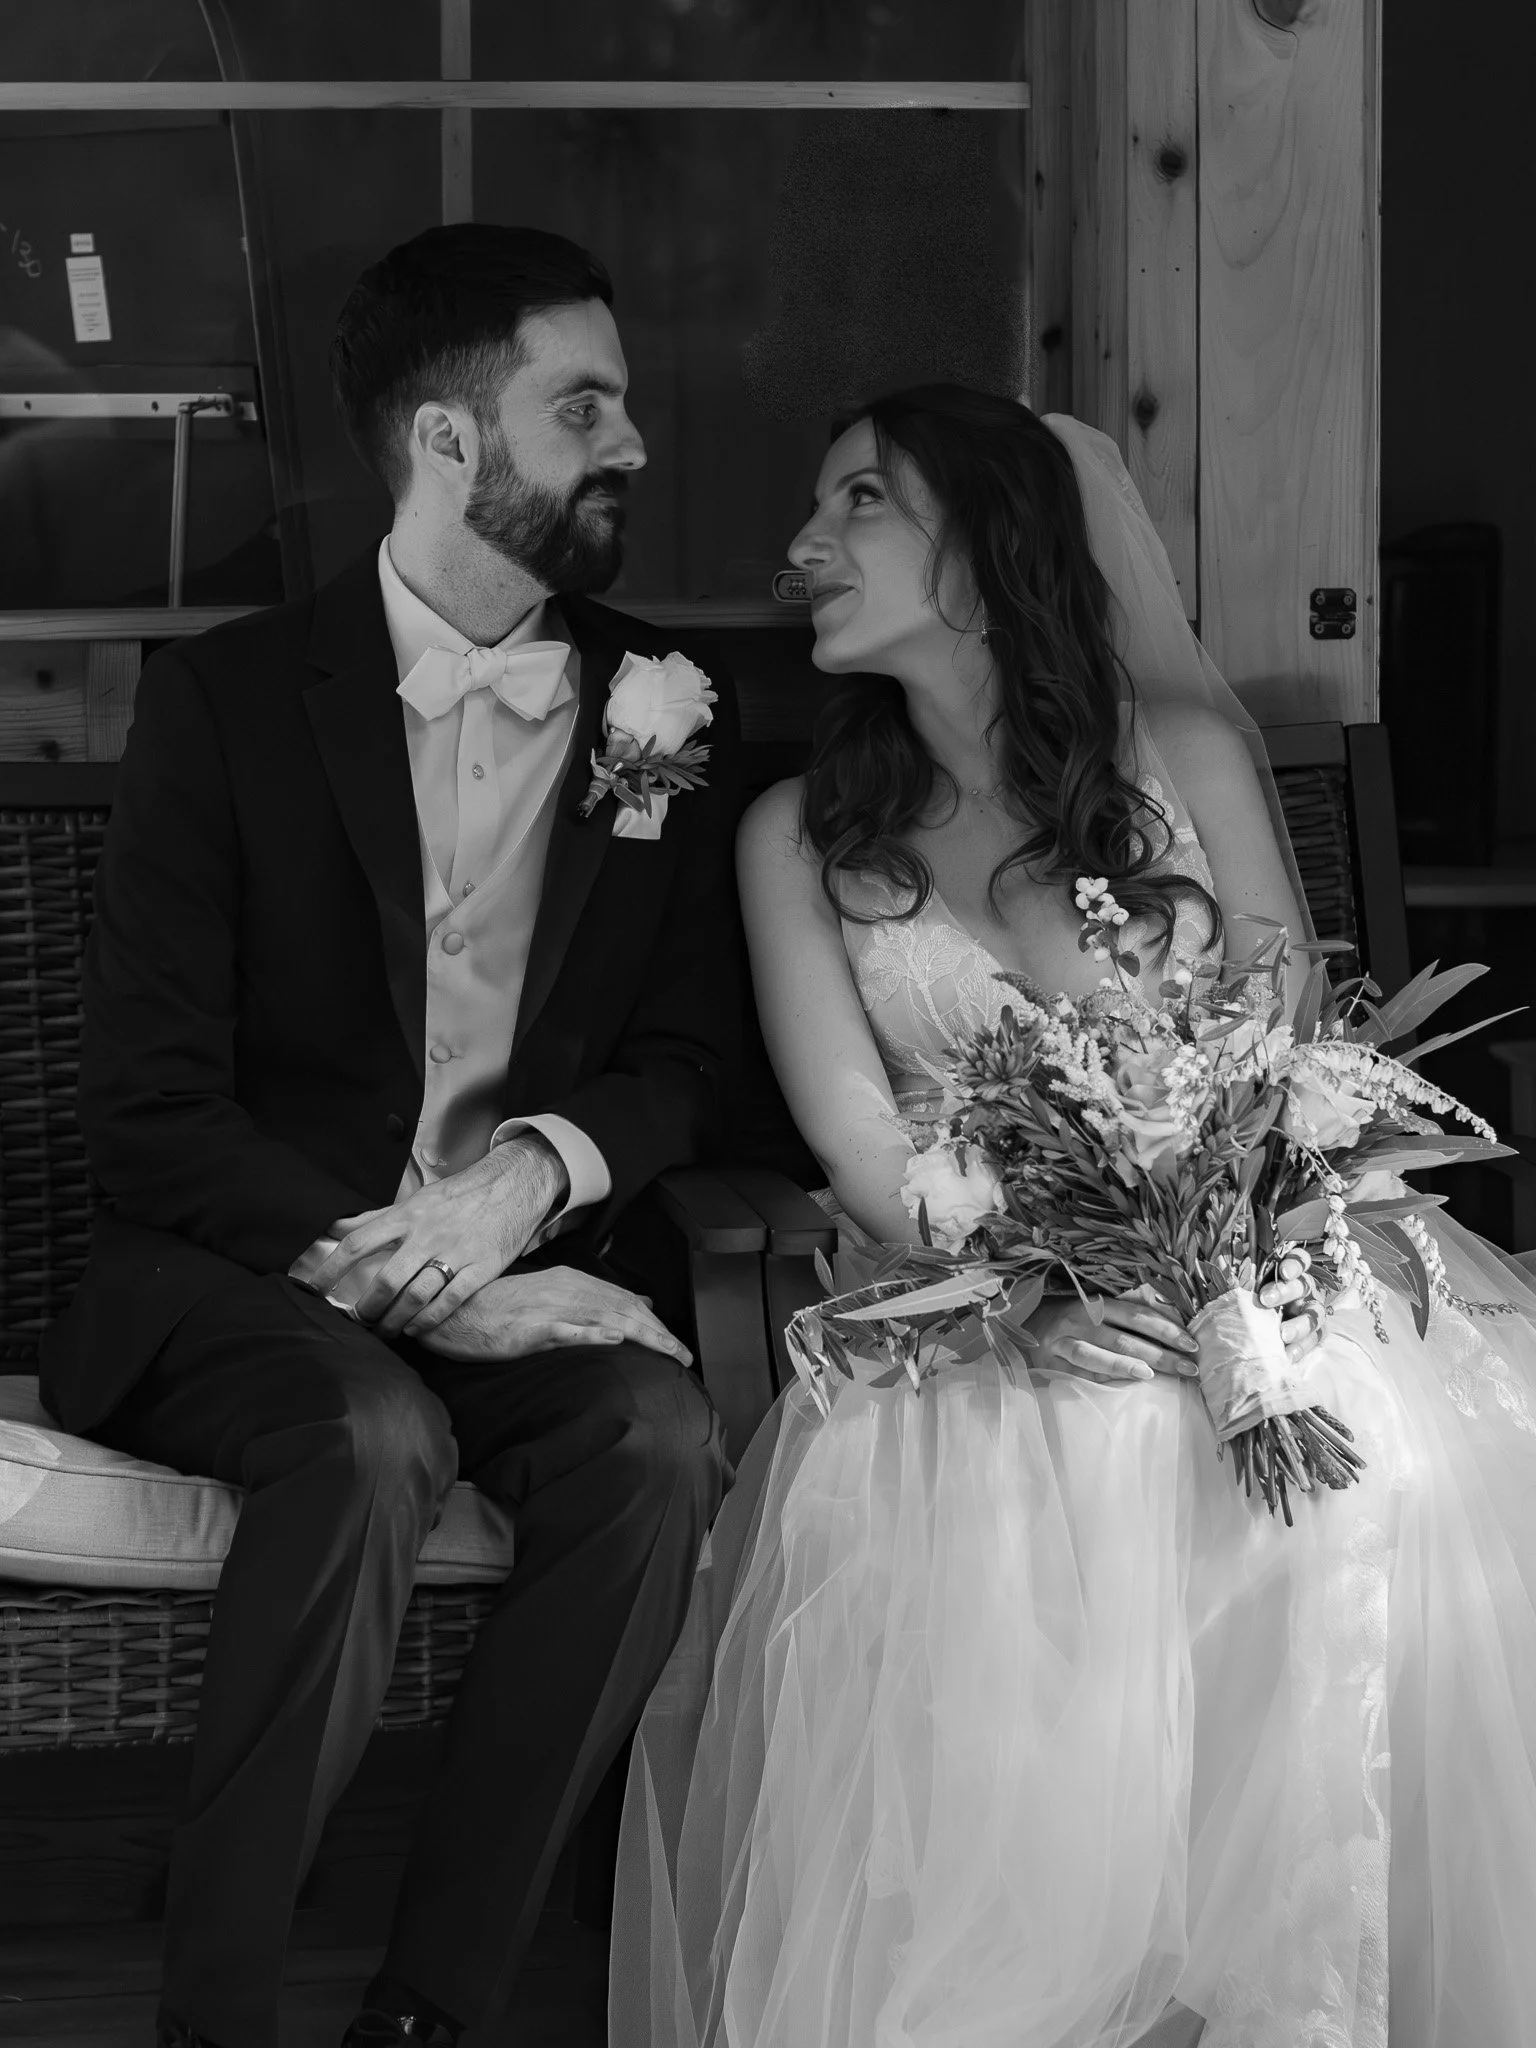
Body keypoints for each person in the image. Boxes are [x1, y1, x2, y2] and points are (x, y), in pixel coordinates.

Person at [609, 386, 1536, 2047]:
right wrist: (1039, 1289)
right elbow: (860, 1142)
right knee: (1081, 1457)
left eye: (861, 504)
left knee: (1359, 1461)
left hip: (1257, 1282)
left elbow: (1288, 1046)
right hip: (986, 1323)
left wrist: (1226, 1257)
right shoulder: (797, 839)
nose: (803, 548)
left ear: (986, 545)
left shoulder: (1177, 761)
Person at [39, 223, 737, 2048]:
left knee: (658, 1445)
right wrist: (424, 1290)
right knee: (366, 1433)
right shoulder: (226, 701)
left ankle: (432, 2011)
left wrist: (531, 1181)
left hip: (527, 1269)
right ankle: (220, 2015)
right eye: (582, 407)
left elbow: (682, 1055)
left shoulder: (667, 706)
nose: (632, 446)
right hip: (240, 1279)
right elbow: (150, 1112)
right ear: (448, 445)